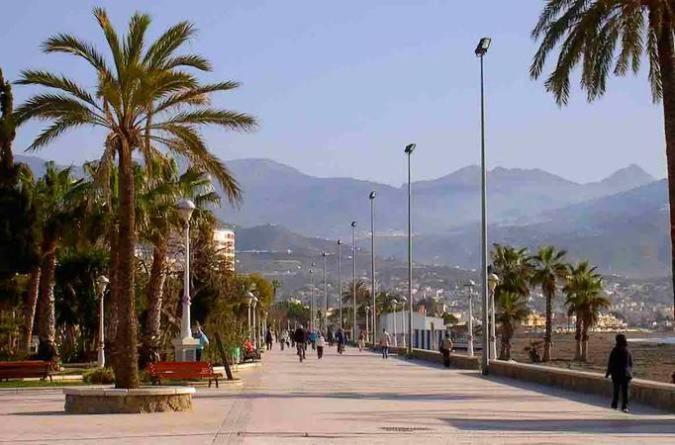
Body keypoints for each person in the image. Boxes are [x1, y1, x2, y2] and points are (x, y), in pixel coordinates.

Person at [605, 333, 633, 412]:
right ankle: (625, 406)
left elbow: (611, 363)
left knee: (616, 390)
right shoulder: (627, 350)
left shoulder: (615, 350)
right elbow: (630, 363)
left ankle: (614, 405)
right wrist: (630, 372)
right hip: (626, 374)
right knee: (625, 391)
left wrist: (608, 373)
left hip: (616, 374)